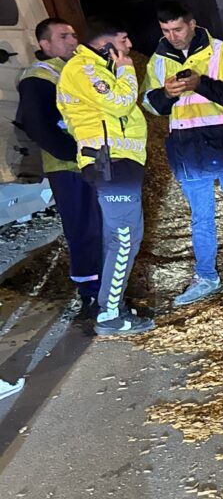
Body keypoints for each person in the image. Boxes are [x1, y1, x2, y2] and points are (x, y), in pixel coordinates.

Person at [142, 2, 223, 306]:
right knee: (201, 218)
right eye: (166, 31)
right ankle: (206, 276)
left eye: (178, 29)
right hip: (187, 148)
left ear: (192, 24)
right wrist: (165, 95)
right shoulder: (157, 61)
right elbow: (150, 105)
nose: (172, 36)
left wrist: (202, 84)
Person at [56, 20, 155, 336]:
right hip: (108, 162)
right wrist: (126, 70)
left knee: (127, 236)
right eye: (123, 39)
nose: (129, 46)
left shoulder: (96, 67)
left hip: (116, 162)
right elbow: (120, 103)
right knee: (123, 238)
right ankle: (110, 314)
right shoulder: (85, 68)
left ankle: (113, 305)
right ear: (106, 44)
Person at [15, 17, 103, 313]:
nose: (73, 40)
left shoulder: (77, 69)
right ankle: (90, 294)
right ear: (45, 44)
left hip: (93, 161)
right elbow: (37, 126)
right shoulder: (39, 76)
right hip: (68, 166)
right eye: (64, 36)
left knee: (101, 226)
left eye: (74, 35)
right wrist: (73, 153)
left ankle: (108, 287)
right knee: (83, 229)